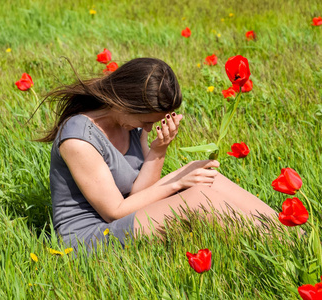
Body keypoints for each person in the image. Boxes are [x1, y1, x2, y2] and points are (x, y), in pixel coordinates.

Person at [38, 57, 277, 253]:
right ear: (124, 102)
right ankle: (273, 246)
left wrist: (158, 149)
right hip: (88, 239)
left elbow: (139, 195)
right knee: (198, 200)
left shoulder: (130, 124)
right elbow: (114, 212)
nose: (150, 128)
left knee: (203, 174)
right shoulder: (78, 139)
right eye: (146, 121)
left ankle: (288, 231)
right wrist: (177, 183)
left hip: (125, 219)